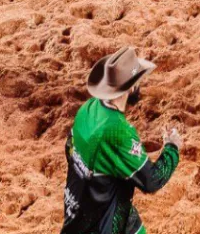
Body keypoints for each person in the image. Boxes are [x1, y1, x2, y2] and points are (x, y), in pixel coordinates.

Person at [61, 47, 181, 234]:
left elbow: (69, 148)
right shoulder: (118, 131)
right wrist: (172, 148)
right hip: (105, 220)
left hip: (81, 210)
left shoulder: (88, 108)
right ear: (131, 87)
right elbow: (152, 180)